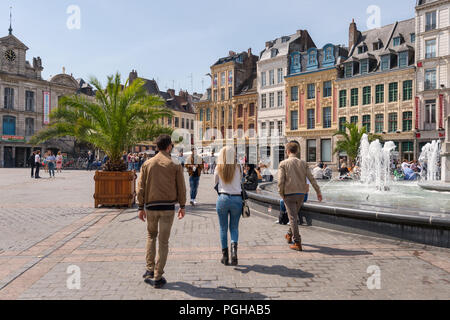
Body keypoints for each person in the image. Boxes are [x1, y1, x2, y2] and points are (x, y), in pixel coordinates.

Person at [137, 135, 186, 289]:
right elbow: (181, 187)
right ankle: (158, 276)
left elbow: (140, 187)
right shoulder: (175, 164)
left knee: (151, 236)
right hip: (167, 207)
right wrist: (182, 206)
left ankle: (149, 269)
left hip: (151, 207)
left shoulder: (147, 163)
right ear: (169, 147)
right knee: (163, 242)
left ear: (157, 146)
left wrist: (140, 207)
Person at [278, 142, 322, 251]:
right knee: (293, 215)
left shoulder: (283, 164)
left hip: (289, 194)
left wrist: (281, 193)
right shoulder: (303, 163)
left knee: (292, 217)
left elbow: (280, 181)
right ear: (297, 151)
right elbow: (311, 178)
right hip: (301, 194)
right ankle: (289, 234)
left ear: (287, 151)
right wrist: (318, 191)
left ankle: (297, 242)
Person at [214, 146, 243, 266]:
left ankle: (225, 257)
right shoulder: (239, 166)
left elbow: (214, 183)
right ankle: (234, 252)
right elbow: (241, 180)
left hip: (223, 198)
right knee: (234, 227)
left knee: (223, 228)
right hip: (237, 199)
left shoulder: (218, 167)